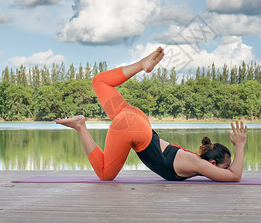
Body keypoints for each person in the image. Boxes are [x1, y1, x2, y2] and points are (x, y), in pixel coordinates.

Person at [56, 47, 248, 182]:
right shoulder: (200, 165)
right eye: (226, 167)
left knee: (100, 81)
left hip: (137, 120)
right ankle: (80, 126)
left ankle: (142, 65)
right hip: (133, 128)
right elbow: (235, 177)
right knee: (106, 174)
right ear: (213, 163)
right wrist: (240, 145)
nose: (229, 170)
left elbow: (232, 172)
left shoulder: (195, 162)